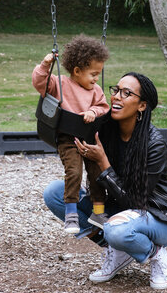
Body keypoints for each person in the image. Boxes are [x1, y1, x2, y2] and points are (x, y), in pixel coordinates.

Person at [43, 72, 167, 290]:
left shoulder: (154, 145)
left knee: (116, 230)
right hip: (121, 212)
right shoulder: (106, 130)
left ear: (142, 105)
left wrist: (102, 161)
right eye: (116, 91)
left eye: (127, 93)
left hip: (159, 217)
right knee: (55, 193)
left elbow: (134, 200)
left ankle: (155, 253)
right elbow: (69, 128)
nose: (117, 97)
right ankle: (118, 250)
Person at [33, 35, 111, 234]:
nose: (96, 79)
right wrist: (45, 64)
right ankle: (70, 213)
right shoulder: (59, 84)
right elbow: (39, 82)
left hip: (89, 137)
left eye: (98, 74)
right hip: (68, 138)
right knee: (74, 172)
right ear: (77, 71)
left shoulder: (96, 90)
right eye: (93, 74)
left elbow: (103, 107)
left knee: (96, 174)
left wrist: (93, 112)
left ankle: (99, 211)